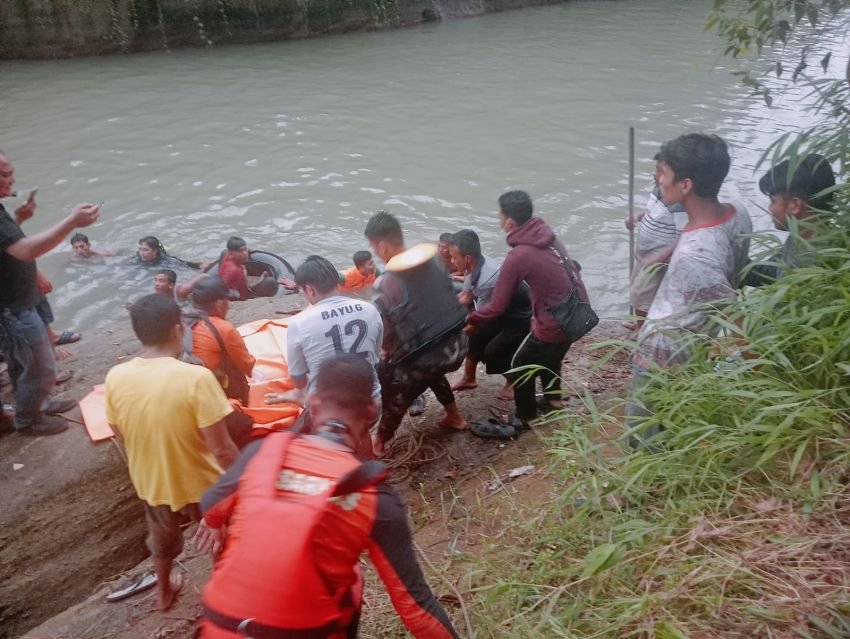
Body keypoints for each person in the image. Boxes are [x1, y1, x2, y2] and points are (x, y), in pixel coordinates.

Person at [195, 354, 460, 639]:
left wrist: (215, 522)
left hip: (220, 629)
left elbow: (211, 503)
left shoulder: (262, 451)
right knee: (352, 580)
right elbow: (415, 608)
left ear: (312, 403)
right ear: (371, 411)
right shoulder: (373, 493)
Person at [105, 294, 238, 611]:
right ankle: (226, 594)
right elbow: (222, 448)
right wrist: (241, 483)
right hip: (205, 485)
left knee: (162, 545)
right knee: (222, 538)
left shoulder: (115, 377)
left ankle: (164, 592)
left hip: (153, 482)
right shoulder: (195, 378)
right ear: (178, 329)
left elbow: (118, 431)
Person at [628, 133, 752, 446]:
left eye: (663, 173)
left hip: (664, 354)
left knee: (644, 436)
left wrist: (759, 367)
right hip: (694, 345)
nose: (658, 179)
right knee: (675, 422)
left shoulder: (695, 256)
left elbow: (733, 315)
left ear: (686, 185)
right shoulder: (738, 213)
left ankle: (642, 490)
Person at [465, 191, 585, 438]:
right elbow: (570, 269)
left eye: (500, 215)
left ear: (509, 222)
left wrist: (471, 319)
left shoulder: (518, 256)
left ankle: (524, 418)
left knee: (521, 365)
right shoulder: (550, 239)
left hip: (555, 321)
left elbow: (497, 306)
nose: (498, 219)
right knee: (550, 358)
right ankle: (554, 402)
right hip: (577, 312)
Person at [0, 150, 100, 435]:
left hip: (19, 300)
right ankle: (30, 420)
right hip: (12, 309)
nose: (13, 179)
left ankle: (37, 405)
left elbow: (8, 246)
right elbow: (26, 250)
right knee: (40, 366)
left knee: (24, 365)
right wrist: (72, 222)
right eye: (6, 175)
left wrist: (18, 220)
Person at [365, 211, 467, 456]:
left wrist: (386, 354)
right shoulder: (435, 263)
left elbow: (386, 332)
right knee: (429, 369)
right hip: (460, 344)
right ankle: (455, 417)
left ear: (383, 245)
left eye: (374, 247)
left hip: (431, 357)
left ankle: (378, 443)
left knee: (398, 390)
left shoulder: (387, 284)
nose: (376, 252)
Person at [265, 256, 382, 429]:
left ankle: (300, 401)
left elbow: (298, 380)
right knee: (360, 430)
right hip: (371, 404)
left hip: (330, 415)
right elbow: (376, 359)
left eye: (303, 291)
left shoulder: (299, 323)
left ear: (310, 290)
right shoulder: (370, 310)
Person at [447, 229, 531, 400]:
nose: (451, 261)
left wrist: (454, 335)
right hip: (500, 310)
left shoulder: (487, 279)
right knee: (476, 337)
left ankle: (516, 380)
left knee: (492, 352)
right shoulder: (474, 266)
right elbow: (465, 296)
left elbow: (483, 319)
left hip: (519, 316)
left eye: (454, 257)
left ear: (467, 258)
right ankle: (469, 378)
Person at [742, 153, 836, 286]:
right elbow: (770, 274)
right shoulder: (803, 237)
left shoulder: (808, 270)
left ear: (795, 205)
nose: (769, 208)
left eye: (773, 201)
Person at [625, 154, 687, 330]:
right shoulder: (657, 191)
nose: (655, 175)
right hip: (644, 255)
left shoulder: (677, 203)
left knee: (643, 296)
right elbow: (651, 211)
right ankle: (639, 324)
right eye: (656, 169)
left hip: (656, 259)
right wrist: (637, 217)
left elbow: (683, 232)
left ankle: (641, 332)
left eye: (661, 172)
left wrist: (663, 255)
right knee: (637, 292)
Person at [217, 236, 277, 300]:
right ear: (231, 253)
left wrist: (245, 250)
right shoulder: (236, 270)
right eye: (240, 251)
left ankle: (261, 279)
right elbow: (243, 295)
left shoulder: (226, 254)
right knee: (270, 282)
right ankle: (261, 280)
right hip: (233, 294)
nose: (245, 253)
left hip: (225, 286)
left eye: (245, 249)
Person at [136, 235, 205, 270]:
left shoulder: (166, 261)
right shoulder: (138, 256)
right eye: (140, 249)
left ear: (155, 251)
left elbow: (184, 264)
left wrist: (198, 265)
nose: (141, 252)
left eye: (145, 250)